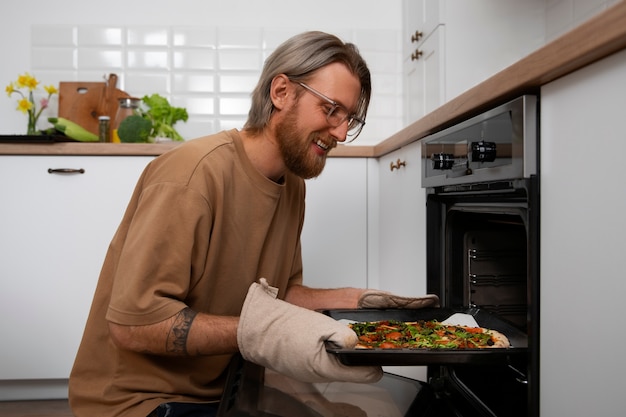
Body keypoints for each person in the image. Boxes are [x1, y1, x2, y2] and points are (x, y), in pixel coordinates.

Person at [68, 31, 438, 417]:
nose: (342, 133)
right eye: (331, 110)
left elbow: (278, 294)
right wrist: (266, 332)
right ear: (281, 92)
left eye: (350, 119)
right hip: (140, 400)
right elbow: (133, 326)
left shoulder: (292, 183)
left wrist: (357, 301)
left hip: (226, 384)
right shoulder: (192, 176)